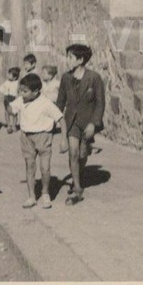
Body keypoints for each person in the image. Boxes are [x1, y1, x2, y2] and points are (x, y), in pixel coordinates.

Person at [56, 43, 105, 206]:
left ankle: (79, 169)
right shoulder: (65, 78)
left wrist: (93, 123)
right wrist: (54, 121)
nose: (67, 60)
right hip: (71, 122)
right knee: (73, 153)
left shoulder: (94, 78)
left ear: (80, 59)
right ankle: (77, 187)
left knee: (82, 155)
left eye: (70, 57)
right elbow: (60, 102)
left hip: (87, 122)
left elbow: (100, 103)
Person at [8, 73, 66, 209]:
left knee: (45, 168)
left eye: (25, 91)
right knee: (30, 166)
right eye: (21, 90)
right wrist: (8, 105)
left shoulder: (45, 103)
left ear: (35, 92)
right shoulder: (21, 100)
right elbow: (12, 110)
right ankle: (31, 196)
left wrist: (64, 140)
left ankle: (45, 193)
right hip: (26, 137)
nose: (22, 94)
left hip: (43, 136)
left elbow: (61, 119)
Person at [0, 67, 21, 134]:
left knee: (14, 113)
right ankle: (8, 125)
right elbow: (2, 87)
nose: (8, 75)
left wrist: (19, 96)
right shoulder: (6, 82)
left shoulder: (17, 83)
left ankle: (14, 125)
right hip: (7, 98)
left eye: (10, 74)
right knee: (6, 112)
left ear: (15, 77)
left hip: (14, 99)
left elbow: (19, 91)